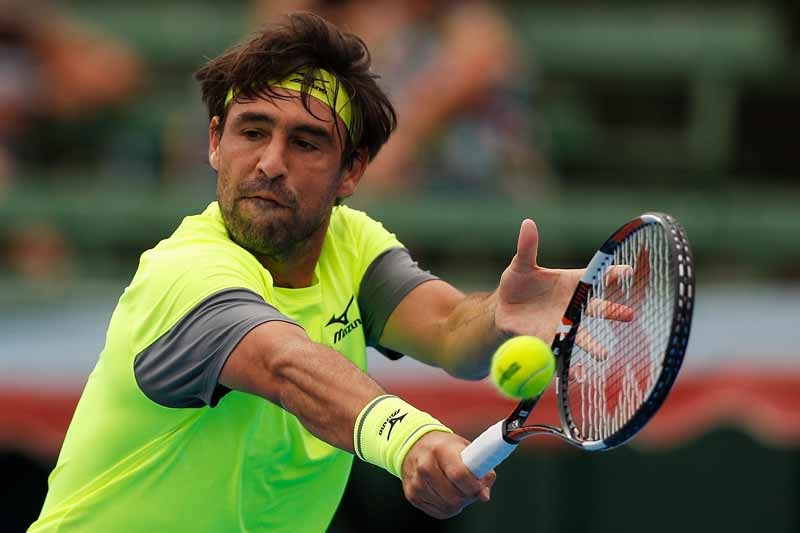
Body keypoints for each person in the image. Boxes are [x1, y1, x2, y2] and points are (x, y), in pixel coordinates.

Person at [29, 13, 590, 532]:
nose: (271, 163)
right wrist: (411, 439)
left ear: (351, 170)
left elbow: (449, 330)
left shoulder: (350, 245)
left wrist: (500, 315)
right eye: (253, 132)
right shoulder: (183, 272)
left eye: (305, 143)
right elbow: (287, 366)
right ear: (215, 142)